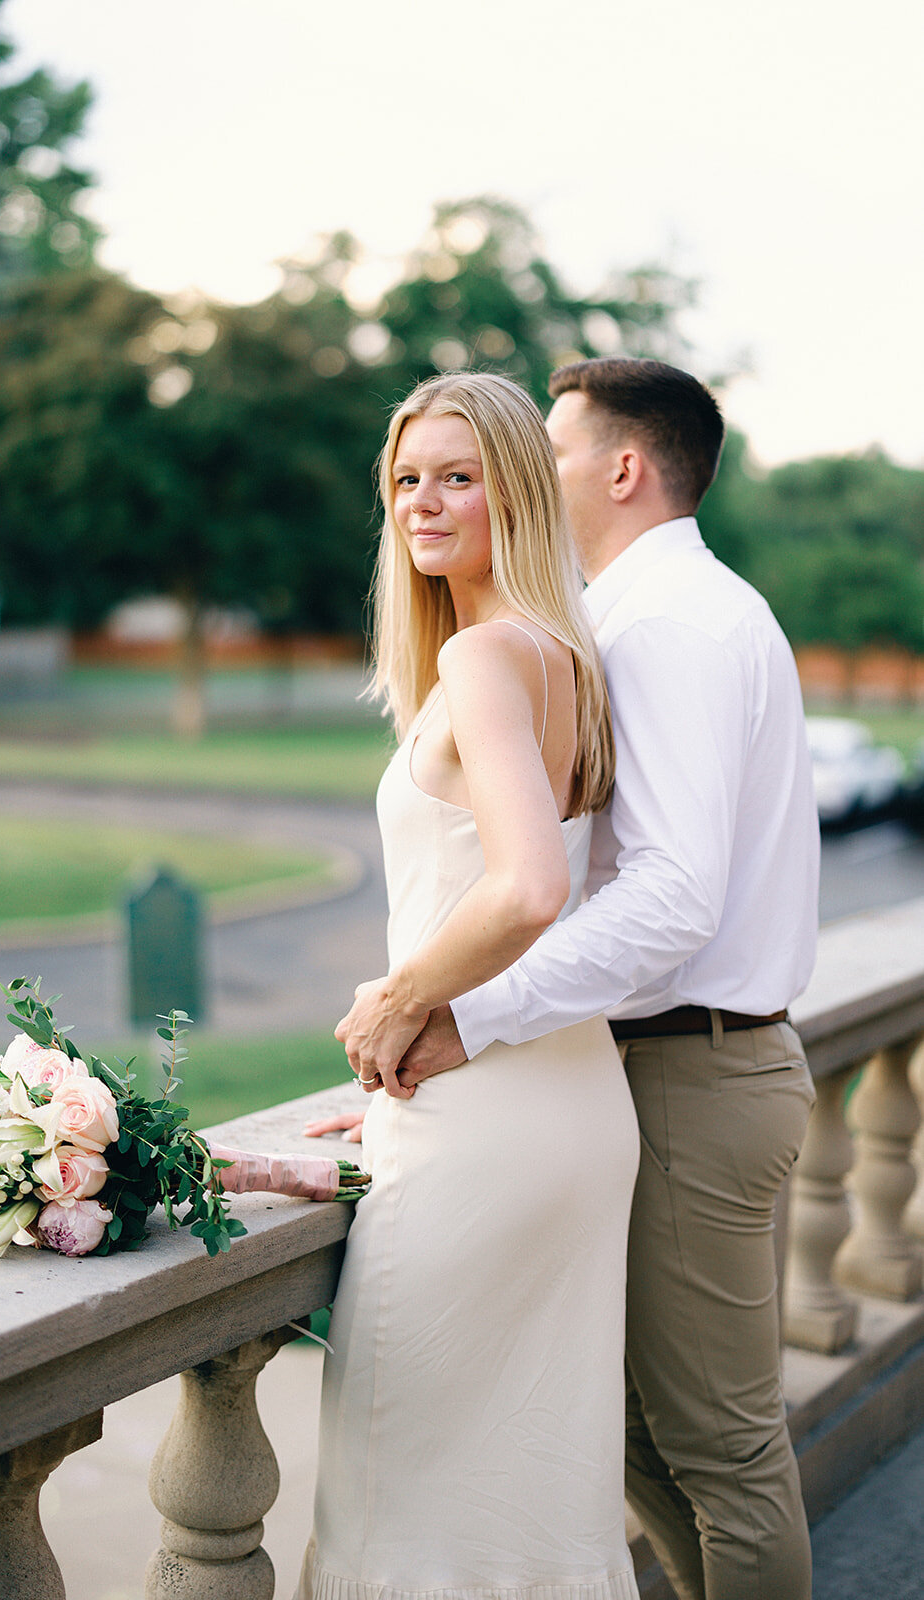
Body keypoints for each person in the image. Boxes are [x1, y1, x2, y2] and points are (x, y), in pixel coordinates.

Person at [321, 358, 819, 1600]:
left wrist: (436, 1014)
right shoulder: (592, 638)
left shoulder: (659, 628)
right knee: (607, 1444)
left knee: (712, 1446)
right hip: (614, 1072)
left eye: (506, 464)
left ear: (620, 468)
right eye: (407, 479)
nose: (431, 500)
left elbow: (648, 893)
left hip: (689, 1067)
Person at [296, 370, 641, 1600]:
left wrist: (395, 1002)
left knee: (404, 1492)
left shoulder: (494, 655)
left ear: (514, 492)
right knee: (527, 1494)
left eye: (457, 476)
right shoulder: (562, 654)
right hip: (563, 1106)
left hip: (487, 1121)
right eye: (403, 479)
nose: (422, 503)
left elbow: (526, 888)